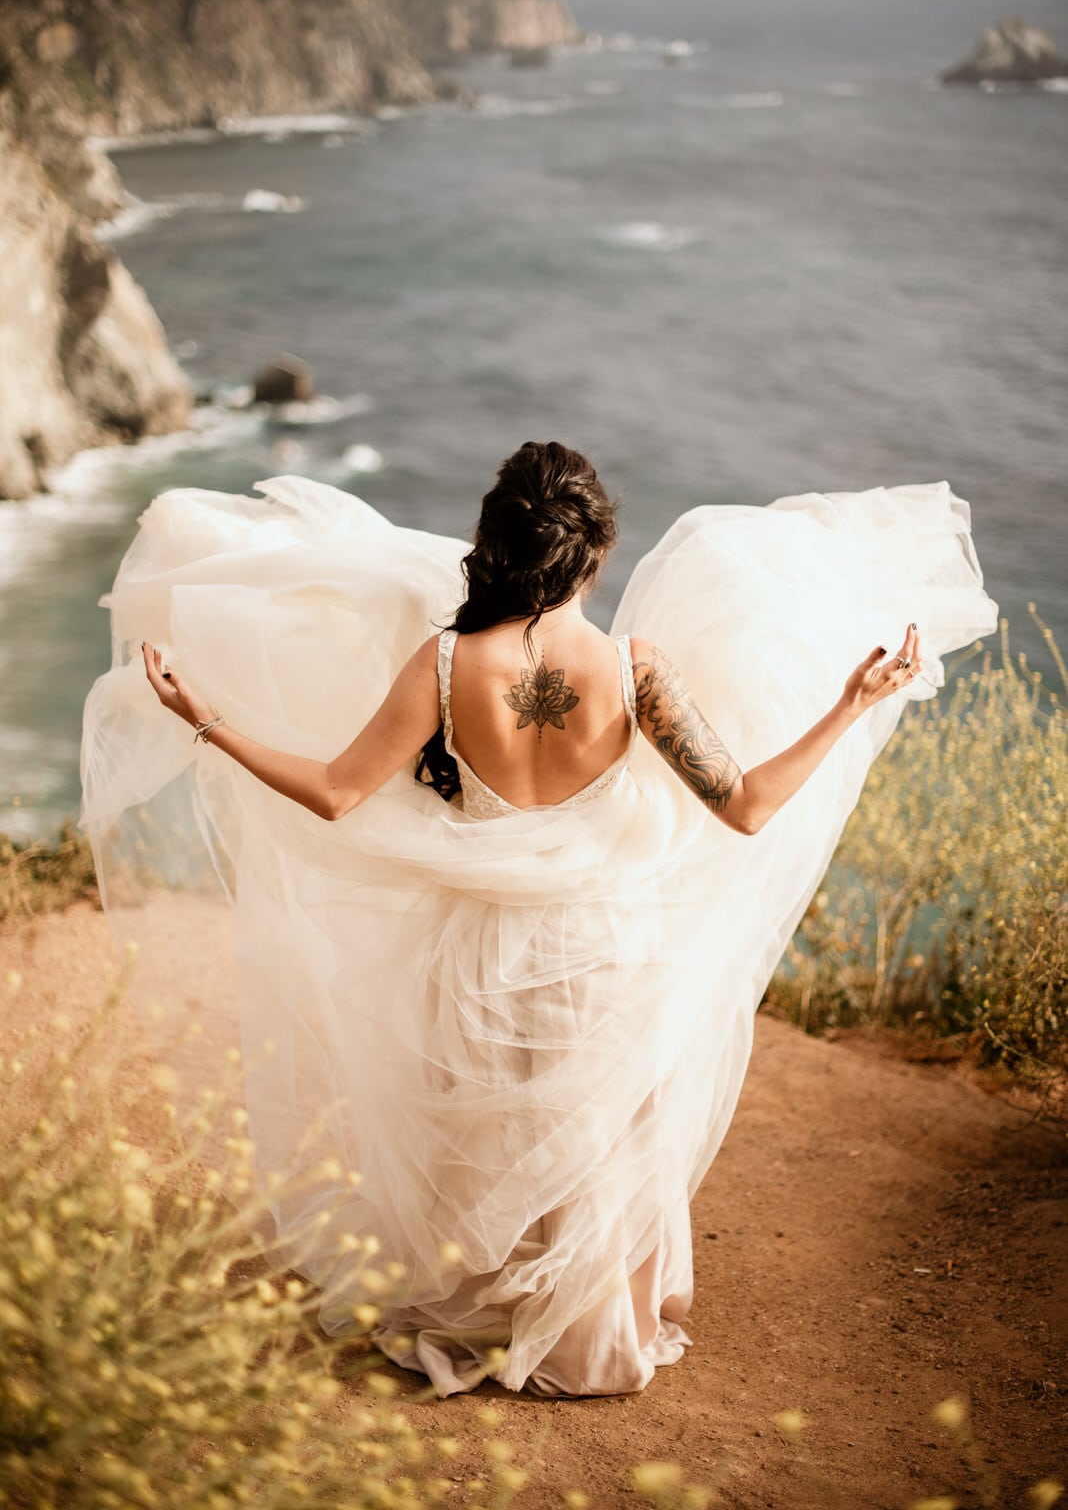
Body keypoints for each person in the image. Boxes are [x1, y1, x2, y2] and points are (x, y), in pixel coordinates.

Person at [82, 443, 998, 1397]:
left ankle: (494, 1312)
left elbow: (334, 792)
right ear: (592, 557)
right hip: (606, 949)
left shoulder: (444, 665)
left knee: (488, 1142)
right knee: (596, 1143)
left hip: (475, 952)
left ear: (494, 545)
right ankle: (595, 1341)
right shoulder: (634, 670)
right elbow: (748, 806)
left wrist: (208, 717)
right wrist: (848, 706)